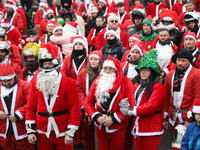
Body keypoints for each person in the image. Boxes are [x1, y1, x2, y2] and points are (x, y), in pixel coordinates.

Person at [25, 42, 81, 149]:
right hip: (42, 129)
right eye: (44, 64)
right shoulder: (35, 82)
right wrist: (30, 130)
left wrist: (70, 132)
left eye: (49, 64)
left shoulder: (68, 82)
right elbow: (30, 107)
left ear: (56, 64)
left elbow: (74, 109)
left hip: (63, 129)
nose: (46, 66)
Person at [119, 49, 167, 150]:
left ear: (153, 72)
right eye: (141, 69)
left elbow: (151, 107)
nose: (143, 72)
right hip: (138, 125)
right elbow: (129, 97)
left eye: (146, 70)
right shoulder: (137, 84)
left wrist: (131, 111)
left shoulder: (158, 87)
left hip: (151, 127)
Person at [84, 56, 134, 150]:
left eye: (110, 69)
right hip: (100, 125)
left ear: (116, 70)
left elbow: (130, 107)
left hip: (118, 126)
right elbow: (88, 103)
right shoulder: (98, 81)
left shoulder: (126, 82)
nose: (107, 71)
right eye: (105, 68)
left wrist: (113, 119)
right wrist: (97, 117)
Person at [163, 49, 200, 134]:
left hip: (189, 118)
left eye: (184, 61)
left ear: (189, 61)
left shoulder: (197, 74)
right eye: (178, 60)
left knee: (187, 145)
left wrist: (190, 118)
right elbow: (166, 97)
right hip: (173, 116)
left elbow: (198, 98)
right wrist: (165, 116)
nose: (180, 63)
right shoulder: (170, 75)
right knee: (175, 144)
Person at [0, 63, 31, 150]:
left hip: (21, 130)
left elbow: (32, 103)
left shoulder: (25, 86)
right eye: (4, 81)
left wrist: (19, 113)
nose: (7, 83)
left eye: (9, 80)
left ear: (14, 76)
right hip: (3, 132)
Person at [77, 50, 104, 150]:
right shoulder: (82, 73)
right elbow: (79, 88)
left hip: (100, 104)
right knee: (88, 135)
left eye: (95, 60)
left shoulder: (105, 72)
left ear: (100, 61)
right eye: (91, 59)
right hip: (86, 104)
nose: (93, 62)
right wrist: (84, 104)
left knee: (102, 133)